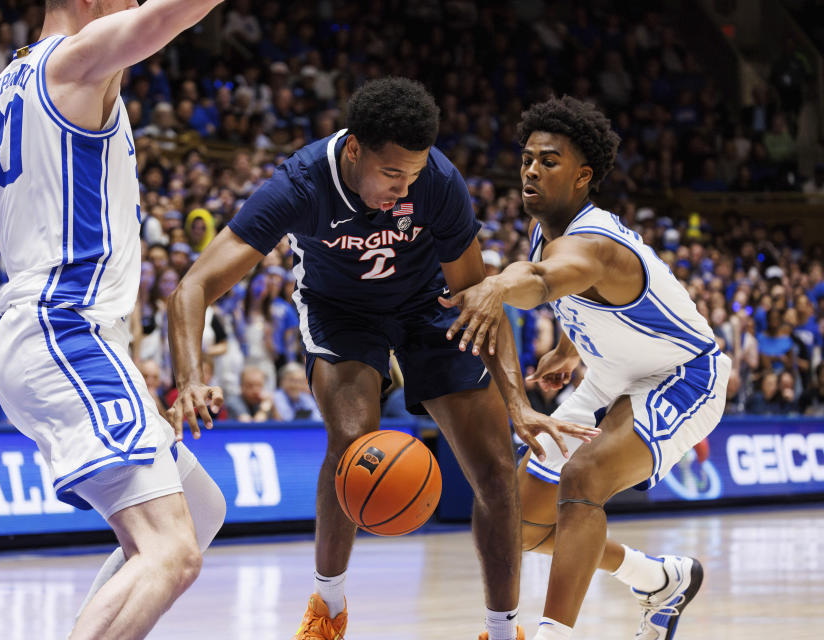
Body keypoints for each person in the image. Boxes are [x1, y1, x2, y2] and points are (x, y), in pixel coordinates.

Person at [167, 77, 595, 640]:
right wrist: (192, 380)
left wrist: (517, 402)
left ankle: (502, 627)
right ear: (354, 151)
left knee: (495, 469)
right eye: (392, 174)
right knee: (351, 444)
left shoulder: (438, 181)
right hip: (340, 311)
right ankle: (328, 607)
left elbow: (478, 297)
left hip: (428, 307)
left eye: (412, 175)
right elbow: (191, 289)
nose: (403, 187)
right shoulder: (299, 184)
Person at [0, 3, 226, 639]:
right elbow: (174, 14)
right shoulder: (76, 58)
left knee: (198, 511)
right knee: (172, 552)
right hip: (66, 328)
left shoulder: (7, 84)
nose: (134, 4)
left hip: (46, 334)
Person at [442, 96, 731, 640]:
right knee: (522, 525)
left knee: (584, 477)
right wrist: (570, 348)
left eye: (548, 161)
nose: (531, 169)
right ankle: (658, 578)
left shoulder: (597, 243)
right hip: (608, 377)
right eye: (527, 158)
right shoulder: (546, 229)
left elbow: (548, 281)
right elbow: (589, 297)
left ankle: (555, 633)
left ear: (583, 177)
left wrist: (498, 284)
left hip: (685, 376)